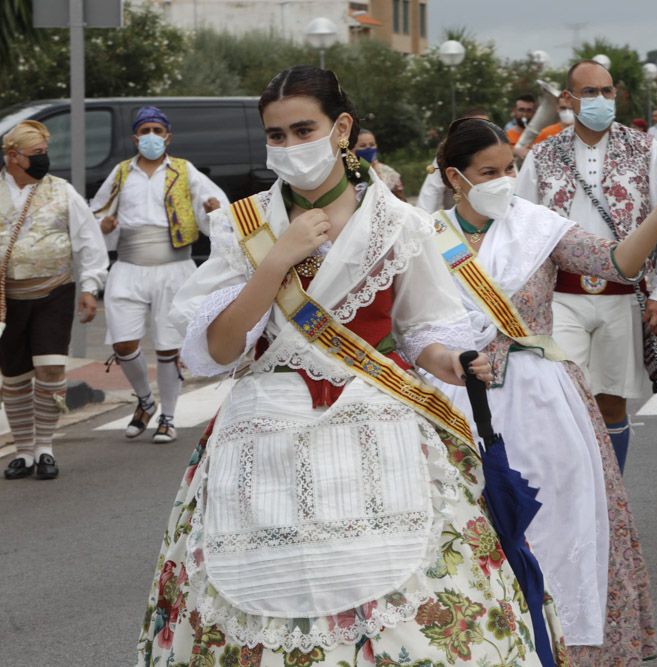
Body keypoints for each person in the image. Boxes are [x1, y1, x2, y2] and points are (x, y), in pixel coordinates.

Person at [136, 65, 568, 667]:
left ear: (340, 128)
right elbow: (215, 351)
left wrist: (453, 360)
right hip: (264, 433)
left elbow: (424, 331)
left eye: (302, 129)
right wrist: (276, 260)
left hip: (382, 420)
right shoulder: (244, 225)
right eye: (277, 135)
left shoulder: (401, 223)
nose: (290, 147)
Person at [427, 117, 657, 666]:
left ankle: (566, 646)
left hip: (540, 397)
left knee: (560, 523)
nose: (505, 179)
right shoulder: (424, 237)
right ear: (456, 177)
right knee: (464, 528)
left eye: (510, 167)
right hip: (453, 396)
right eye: (489, 172)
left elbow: (617, 264)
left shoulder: (537, 226)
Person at [516, 59, 657, 471]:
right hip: (562, 297)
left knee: (613, 400)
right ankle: (577, 494)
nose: (600, 100)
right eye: (590, 92)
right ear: (568, 98)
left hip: (623, 297)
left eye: (607, 91)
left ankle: (613, 500)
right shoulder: (542, 155)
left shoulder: (648, 150)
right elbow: (521, 227)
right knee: (565, 395)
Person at [91, 106, 227, 444]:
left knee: (168, 347)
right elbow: (96, 213)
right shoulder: (122, 173)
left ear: (167, 136)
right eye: (144, 130)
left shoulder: (184, 171)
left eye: (157, 130)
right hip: (128, 266)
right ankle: (145, 400)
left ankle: (167, 416)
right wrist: (103, 226)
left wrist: (213, 212)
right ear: (135, 136)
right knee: (123, 342)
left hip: (174, 268)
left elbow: (213, 204)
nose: (150, 136)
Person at [0, 120, 108, 481]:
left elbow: (89, 241)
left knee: (49, 369)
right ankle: (24, 452)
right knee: (13, 376)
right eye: (37, 154)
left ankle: (45, 448)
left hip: (53, 294)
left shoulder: (62, 192)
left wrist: (90, 288)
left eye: (46, 153)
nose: (45, 160)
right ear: (13, 156)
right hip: (6, 300)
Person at [416, 107, 490, 212]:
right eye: (475, 128)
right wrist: (424, 222)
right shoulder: (449, 155)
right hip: (455, 222)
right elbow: (431, 192)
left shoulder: (500, 155)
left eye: (486, 127)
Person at [354, 128, 406, 201]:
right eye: (363, 146)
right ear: (352, 149)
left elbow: (402, 203)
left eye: (372, 145)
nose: (368, 148)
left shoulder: (389, 173)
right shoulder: (347, 174)